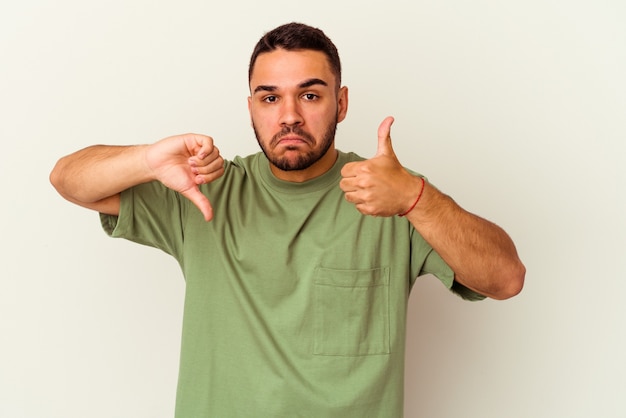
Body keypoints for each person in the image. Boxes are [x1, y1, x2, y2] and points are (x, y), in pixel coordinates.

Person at [50, 22, 525, 418]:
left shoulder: (390, 194)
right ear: (251, 107)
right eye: (270, 98)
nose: (290, 117)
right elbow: (67, 180)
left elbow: (506, 278)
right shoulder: (200, 191)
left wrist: (417, 198)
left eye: (310, 96)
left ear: (340, 103)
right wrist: (147, 159)